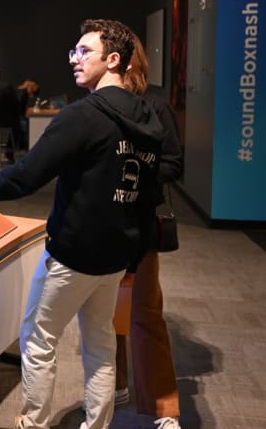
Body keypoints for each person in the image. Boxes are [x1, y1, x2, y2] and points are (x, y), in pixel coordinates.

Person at [0, 19, 166, 429]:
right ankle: (97, 424)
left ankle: (33, 423)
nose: (74, 59)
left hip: (73, 254)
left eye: (85, 51)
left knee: (38, 338)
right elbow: (146, 194)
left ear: (114, 59)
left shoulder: (82, 116)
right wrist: (135, 257)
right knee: (101, 343)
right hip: (118, 254)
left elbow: (23, 177)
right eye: (74, 50)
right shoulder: (147, 117)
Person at [114, 34, 183, 429]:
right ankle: (119, 383)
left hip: (141, 224)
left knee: (145, 313)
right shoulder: (94, 104)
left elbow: (173, 163)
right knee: (105, 315)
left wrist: (135, 175)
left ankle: (163, 407)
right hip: (100, 224)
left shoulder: (155, 103)